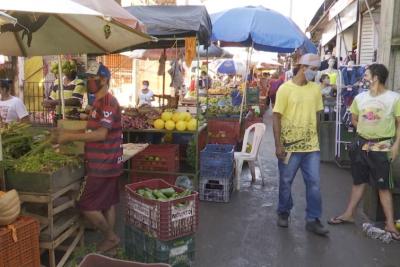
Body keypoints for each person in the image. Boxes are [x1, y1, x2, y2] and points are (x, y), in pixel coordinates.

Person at [54, 62, 123, 252]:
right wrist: (66, 129)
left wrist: (69, 136)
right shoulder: (97, 103)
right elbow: (92, 128)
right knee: (107, 203)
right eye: (87, 78)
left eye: (92, 78)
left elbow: (101, 134)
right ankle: (112, 247)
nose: (88, 82)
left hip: (103, 164)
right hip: (107, 162)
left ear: (104, 79)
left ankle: (110, 238)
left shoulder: (108, 103)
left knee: (85, 204)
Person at [328, 64, 400, 240]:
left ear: (375, 77)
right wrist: (366, 127)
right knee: (358, 182)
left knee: (383, 187)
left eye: (367, 74)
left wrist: (396, 145)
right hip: (361, 144)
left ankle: (389, 223)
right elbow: (353, 118)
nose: (364, 77)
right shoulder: (360, 98)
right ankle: (348, 214)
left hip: (382, 147)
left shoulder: (394, 98)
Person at [273, 53, 329, 236]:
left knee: (314, 183)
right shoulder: (285, 89)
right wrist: (278, 145)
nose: (315, 73)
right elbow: (276, 118)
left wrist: (315, 138)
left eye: (317, 70)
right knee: (286, 181)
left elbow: (318, 116)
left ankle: (313, 219)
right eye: (313, 69)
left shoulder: (315, 89)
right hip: (289, 146)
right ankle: (283, 212)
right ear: (303, 67)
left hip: (311, 147)